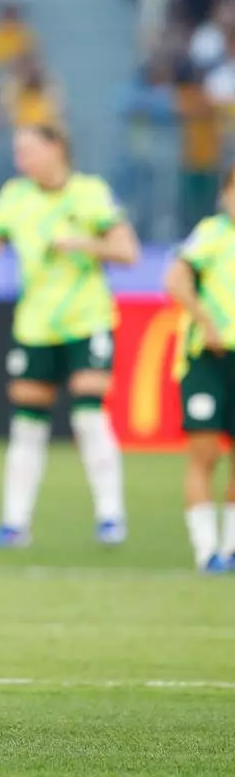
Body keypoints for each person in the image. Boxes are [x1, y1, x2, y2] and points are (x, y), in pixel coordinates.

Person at [0, 125, 140, 547]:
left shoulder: (89, 192)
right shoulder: (15, 197)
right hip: (34, 326)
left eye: (29, 151)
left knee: (89, 416)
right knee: (27, 426)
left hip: (85, 321)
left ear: (56, 148)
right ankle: (14, 523)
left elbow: (127, 250)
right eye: (18, 152)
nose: (22, 160)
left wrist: (83, 243)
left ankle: (111, 517)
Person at [164, 165, 235, 573]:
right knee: (204, 454)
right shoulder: (212, 233)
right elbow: (175, 280)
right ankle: (206, 549)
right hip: (207, 358)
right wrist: (207, 322)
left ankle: (229, 547)